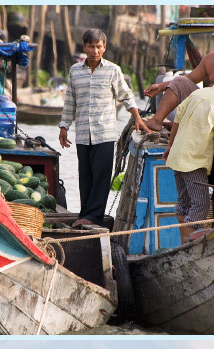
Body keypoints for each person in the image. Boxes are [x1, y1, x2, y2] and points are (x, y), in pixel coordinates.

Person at [59, 29, 149, 228]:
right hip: (83, 134)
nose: (95, 51)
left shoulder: (113, 70)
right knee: (85, 176)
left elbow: (127, 96)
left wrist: (137, 118)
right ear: (84, 47)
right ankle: (85, 213)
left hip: (105, 133)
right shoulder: (75, 71)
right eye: (91, 46)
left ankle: (94, 216)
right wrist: (64, 127)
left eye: (98, 46)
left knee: (101, 176)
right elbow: (70, 102)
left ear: (104, 48)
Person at [165, 61, 214, 237]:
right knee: (201, 205)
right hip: (193, 160)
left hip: (178, 155)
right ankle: (188, 247)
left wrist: (170, 146)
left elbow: (177, 119)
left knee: (184, 204)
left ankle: (184, 245)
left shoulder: (199, 93)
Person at [144, 22, 214, 113]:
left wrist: (209, 88)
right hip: (207, 104)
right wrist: (161, 86)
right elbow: (189, 79)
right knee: (179, 82)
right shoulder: (210, 58)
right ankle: (157, 121)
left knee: (200, 96)